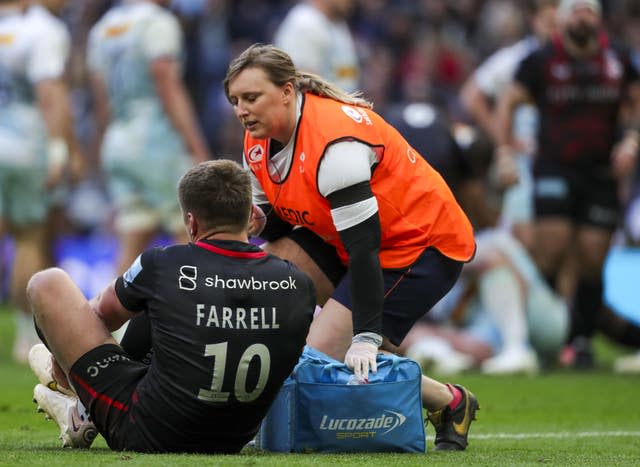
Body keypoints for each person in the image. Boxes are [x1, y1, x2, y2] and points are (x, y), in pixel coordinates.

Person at [224, 43, 479, 451]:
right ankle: (449, 401)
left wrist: (365, 336)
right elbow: (276, 221)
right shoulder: (257, 140)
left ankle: (449, 403)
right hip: (341, 235)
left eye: (251, 98)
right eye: (235, 100)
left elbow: (365, 249)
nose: (241, 110)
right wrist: (253, 220)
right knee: (253, 291)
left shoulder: (336, 146)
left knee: (316, 364)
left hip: (418, 246)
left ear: (287, 92)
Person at [28, 159, 316, 453]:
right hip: (234, 438)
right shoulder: (299, 283)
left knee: (47, 283)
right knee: (160, 305)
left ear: (191, 222)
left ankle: (83, 409)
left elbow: (101, 315)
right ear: (252, 214)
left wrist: (62, 355)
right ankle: (84, 411)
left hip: (146, 433)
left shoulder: (163, 264)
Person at [494, 0, 640, 368]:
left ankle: (582, 342)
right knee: (550, 252)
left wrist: (631, 140)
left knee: (593, 259)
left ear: (599, 18)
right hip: (554, 168)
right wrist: (504, 152)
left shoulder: (619, 58)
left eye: (589, 10)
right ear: (562, 19)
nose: (582, 16)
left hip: (601, 174)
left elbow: (636, 104)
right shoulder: (542, 59)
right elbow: (508, 102)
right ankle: (539, 336)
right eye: (575, 9)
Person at [87, 0, 212, 276]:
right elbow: (164, 78)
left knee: (134, 235)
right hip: (157, 140)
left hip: (118, 138)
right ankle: (192, 314)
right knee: (191, 229)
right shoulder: (157, 22)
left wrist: (101, 143)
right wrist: (197, 147)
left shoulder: (104, 28)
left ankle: (112, 318)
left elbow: (100, 98)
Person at [0, 0, 80, 363]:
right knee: (29, 237)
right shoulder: (43, 29)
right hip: (25, 144)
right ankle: (23, 336)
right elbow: (51, 93)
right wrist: (61, 150)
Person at [460, 0, 558, 250]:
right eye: (549, 23)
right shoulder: (516, 58)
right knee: (524, 240)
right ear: (534, 21)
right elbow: (471, 96)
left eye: (559, 23)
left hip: (562, 161)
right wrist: (504, 140)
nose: (554, 30)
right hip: (523, 162)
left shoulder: (575, 60)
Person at [273, 0, 360, 93]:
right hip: (321, 106)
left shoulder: (337, 22)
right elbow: (304, 87)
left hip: (342, 103)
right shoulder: (305, 23)